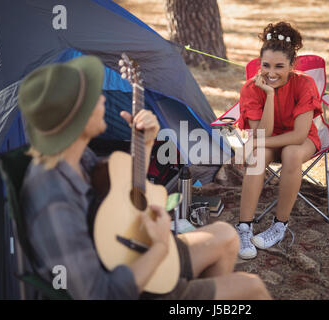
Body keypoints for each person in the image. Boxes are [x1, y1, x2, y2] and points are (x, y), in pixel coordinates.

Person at [19, 56, 271, 300]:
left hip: (129, 253)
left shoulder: (78, 156)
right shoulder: (52, 198)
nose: (103, 100)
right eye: (94, 99)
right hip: (129, 283)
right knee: (252, 287)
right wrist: (161, 245)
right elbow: (101, 294)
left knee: (226, 237)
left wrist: (146, 142)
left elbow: (121, 187)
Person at [235, 22, 323, 259]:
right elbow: (262, 135)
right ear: (259, 63)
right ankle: (244, 227)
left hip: (301, 140)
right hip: (268, 139)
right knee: (258, 156)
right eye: (266, 65)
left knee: (291, 153)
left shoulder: (304, 84)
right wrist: (271, 95)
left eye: (279, 66)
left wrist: (253, 142)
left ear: (292, 65)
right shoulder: (251, 89)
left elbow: (298, 136)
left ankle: (279, 225)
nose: (271, 73)